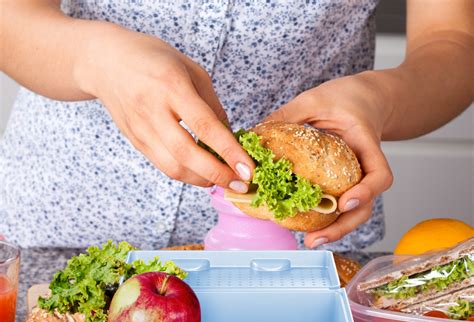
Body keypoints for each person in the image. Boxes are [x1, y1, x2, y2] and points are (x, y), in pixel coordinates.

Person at [0, 0, 472, 250]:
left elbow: (454, 39)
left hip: (296, 251)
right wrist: (96, 60)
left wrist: (379, 97)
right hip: (62, 227)